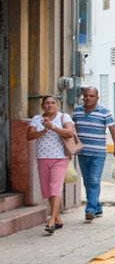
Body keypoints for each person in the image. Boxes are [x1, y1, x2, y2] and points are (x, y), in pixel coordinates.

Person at [27, 95, 76, 234]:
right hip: (42, 157)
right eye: (47, 103)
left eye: (53, 103)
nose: (50, 105)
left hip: (60, 157)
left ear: (57, 105)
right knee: (48, 190)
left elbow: (70, 133)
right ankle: (58, 218)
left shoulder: (64, 117)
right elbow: (29, 136)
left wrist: (52, 126)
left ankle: (52, 221)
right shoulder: (37, 119)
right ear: (43, 106)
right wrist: (43, 131)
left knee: (55, 188)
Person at [73, 87, 115, 221]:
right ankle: (97, 206)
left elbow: (113, 130)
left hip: (98, 153)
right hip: (82, 153)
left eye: (91, 96)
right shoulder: (77, 111)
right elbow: (73, 129)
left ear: (97, 98)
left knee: (94, 180)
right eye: (86, 96)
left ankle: (90, 210)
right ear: (83, 97)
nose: (88, 98)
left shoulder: (104, 112)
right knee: (88, 182)